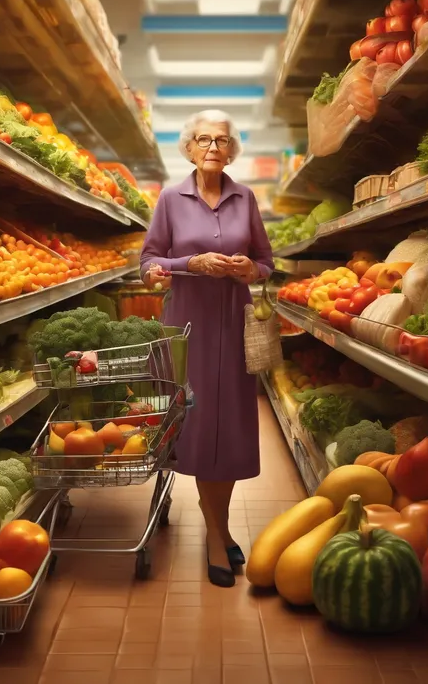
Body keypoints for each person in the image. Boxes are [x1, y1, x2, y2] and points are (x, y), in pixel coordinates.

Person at [140, 110, 273, 587]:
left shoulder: (246, 197)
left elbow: (266, 262)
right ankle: (218, 538)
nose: (213, 146)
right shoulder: (171, 200)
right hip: (189, 329)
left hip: (234, 329)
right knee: (199, 426)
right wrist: (188, 262)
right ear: (190, 148)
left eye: (222, 139)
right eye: (203, 139)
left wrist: (247, 270)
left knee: (231, 429)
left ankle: (218, 523)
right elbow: (148, 262)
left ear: (232, 149)